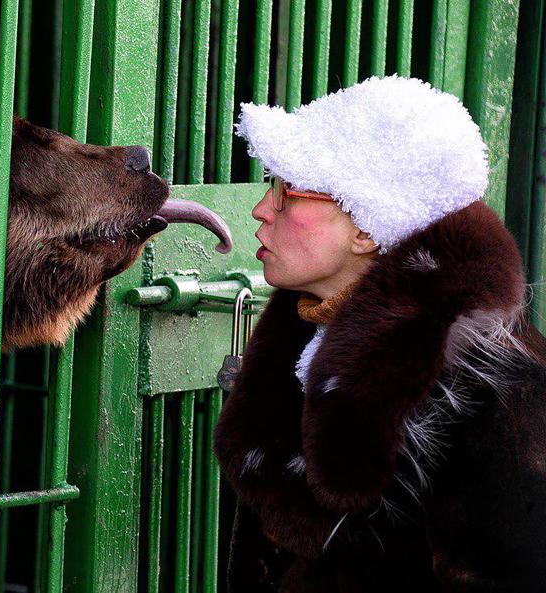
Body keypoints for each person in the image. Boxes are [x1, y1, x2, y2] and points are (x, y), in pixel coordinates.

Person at [214, 75, 546, 593]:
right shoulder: (311, 334)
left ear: (367, 227)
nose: (261, 209)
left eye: (287, 193)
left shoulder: (496, 389)